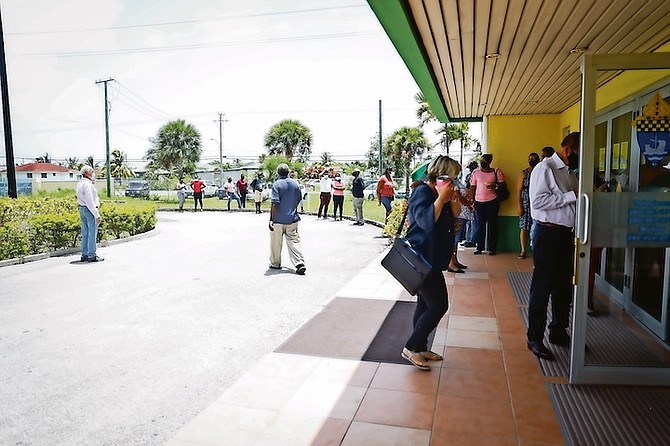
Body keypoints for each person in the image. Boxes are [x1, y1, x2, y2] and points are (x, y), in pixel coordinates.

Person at [401, 155, 460, 371]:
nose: (454, 182)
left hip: (432, 258)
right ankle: (410, 347)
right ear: (440, 176)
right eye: (452, 178)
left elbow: (457, 216)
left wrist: (451, 198)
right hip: (420, 258)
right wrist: (441, 198)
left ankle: (421, 347)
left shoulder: (439, 194)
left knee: (425, 304)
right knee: (439, 305)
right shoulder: (422, 192)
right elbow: (425, 221)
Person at [526, 132, 580, 361]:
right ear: (568, 149)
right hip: (547, 234)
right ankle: (535, 338)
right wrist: (570, 196)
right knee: (543, 287)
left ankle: (558, 330)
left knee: (563, 287)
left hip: (565, 235)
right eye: (578, 152)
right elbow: (537, 201)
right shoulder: (544, 168)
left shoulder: (569, 173)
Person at [268, 163, 306, 275]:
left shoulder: (277, 185)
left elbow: (275, 203)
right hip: (292, 219)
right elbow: (299, 199)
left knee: (276, 243)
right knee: (294, 241)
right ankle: (299, 263)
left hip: (278, 220)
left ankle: (275, 263)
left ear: (278, 173)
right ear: (288, 172)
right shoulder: (295, 184)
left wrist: (271, 219)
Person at [469, 154, 505, 255]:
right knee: (480, 225)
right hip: (479, 202)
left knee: (492, 225)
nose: (482, 163)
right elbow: (472, 187)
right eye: (482, 161)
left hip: (492, 201)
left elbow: (503, 185)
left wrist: (494, 186)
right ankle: (479, 247)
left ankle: (492, 248)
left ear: (489, 162)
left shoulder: (496, 172)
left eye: (485, 161)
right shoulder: (476, 172)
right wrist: (471, 201)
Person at [76, 165, 103, 262]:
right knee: (92, 233)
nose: (93, 172)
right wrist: (97, 215)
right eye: (91, 171)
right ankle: (92, 254)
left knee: (85, 233)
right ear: (86, 173)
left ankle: (85, 254)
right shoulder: (87, 185)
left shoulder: (80, 183)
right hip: (89, 210)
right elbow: (90, 201)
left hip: (82, 209)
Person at [516, 152, 540, 259]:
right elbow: (518, 191)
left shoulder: (541, 171)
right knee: (524, 227)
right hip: (526, 202)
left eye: (534, 158)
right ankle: (523, 250)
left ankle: (536, 250)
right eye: (530, 158)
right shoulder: (524, 173)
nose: (532, 160)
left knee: (537, 226)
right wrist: (519, 206)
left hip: (538, 201)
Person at [448, 175, 471, 273]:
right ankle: (451, 263)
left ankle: (455, 260)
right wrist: (470, 203)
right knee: (454, 239)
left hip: (463, 214)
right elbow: (459, 198)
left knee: (456, 240)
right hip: (459, 214)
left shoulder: (458, 182)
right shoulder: (453, 184)